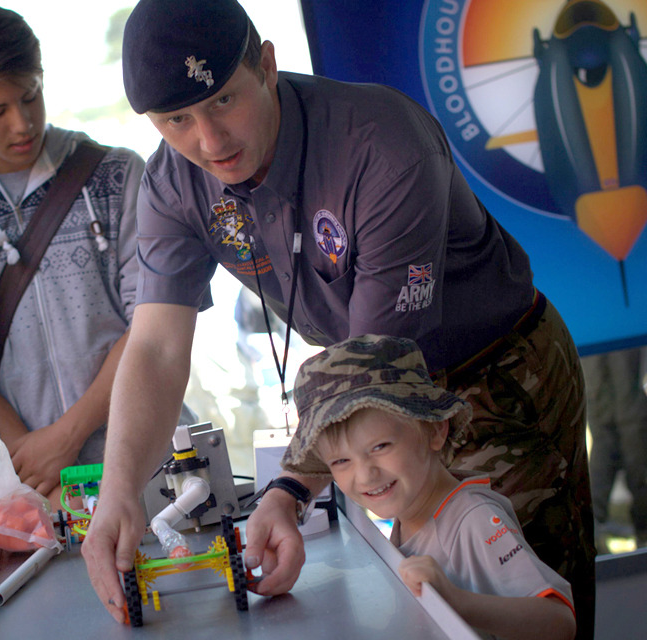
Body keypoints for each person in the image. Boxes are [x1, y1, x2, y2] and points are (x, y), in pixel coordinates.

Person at [81, 1, 594, 636]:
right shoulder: (172, 184)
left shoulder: (379, 144)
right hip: (369, 418)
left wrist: (289, 492)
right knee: (427, 596)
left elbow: (372, 361)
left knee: (530, 610)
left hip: (495, 377)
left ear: (266, 65)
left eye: (223, 101)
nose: (209, 142)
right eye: (176, 120)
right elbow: (157, 346)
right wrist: (119, 492)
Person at [0, 5, 161, 509]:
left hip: (145, 463)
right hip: (33, 488)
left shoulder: (116, 175)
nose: (23, 124)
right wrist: (32, 457)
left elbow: (152, 323)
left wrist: (65, 439)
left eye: (31, 96)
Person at [282, 334, 576, 640]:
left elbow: (560, 622)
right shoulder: (410, 509)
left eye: (380, 446)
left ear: (435, 430)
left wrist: (457, 602)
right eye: (341, 461)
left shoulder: (473, 519)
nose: (366, 474)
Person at [581, 348, 647, 550]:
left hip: (596, 326)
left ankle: (592, 527)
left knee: (619, 424)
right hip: (604, 326)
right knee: (617, 423)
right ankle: (593, 526)